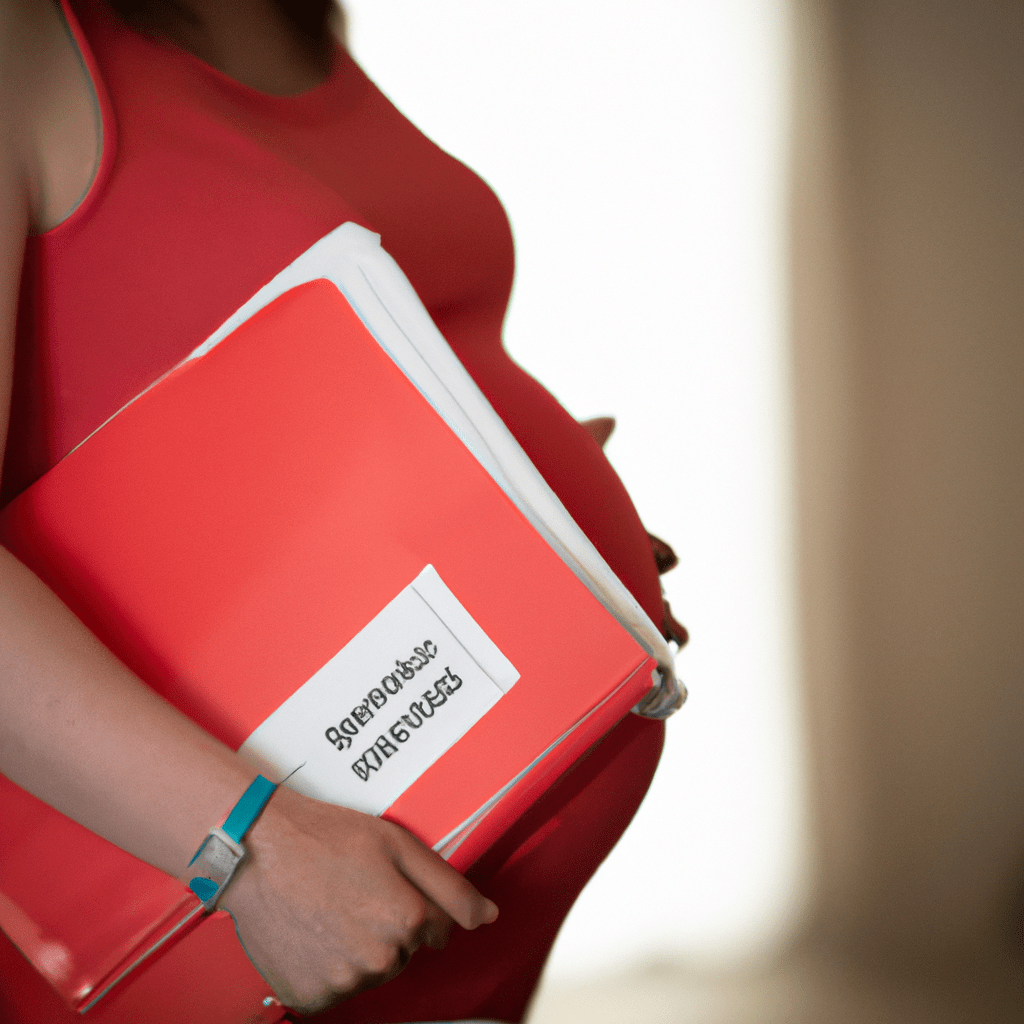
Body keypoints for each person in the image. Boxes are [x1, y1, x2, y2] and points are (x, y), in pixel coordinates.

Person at [0, 0, 677, 1020]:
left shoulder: (296, 23)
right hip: (239, 909)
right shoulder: (26, 39)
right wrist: (252, 848)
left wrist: (528, 523)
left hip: (444, 910)